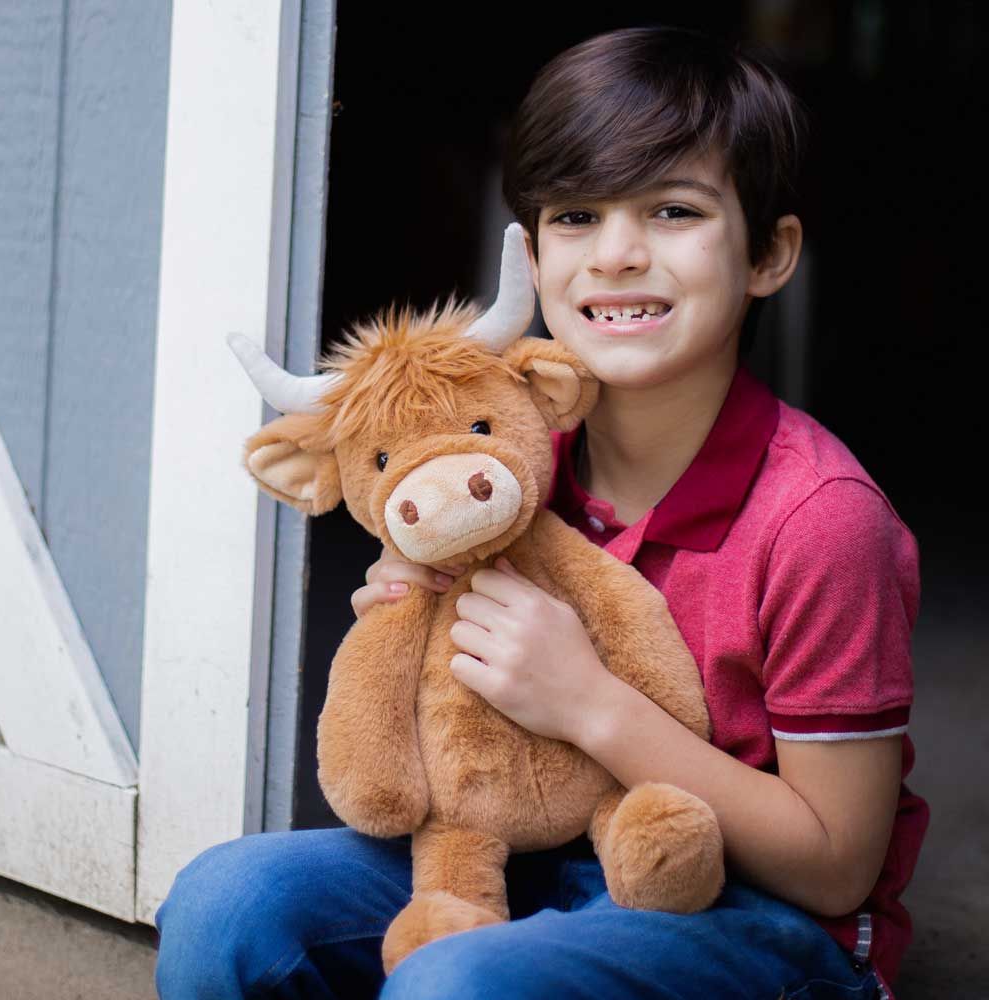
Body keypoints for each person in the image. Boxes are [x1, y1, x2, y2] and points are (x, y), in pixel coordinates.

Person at [154, 24, 928, 1000]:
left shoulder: (819, 520)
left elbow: (835, 866)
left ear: (769, 254)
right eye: (575, 216)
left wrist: (588, 703)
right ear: (529, 246)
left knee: (456, 983)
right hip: (522, 844)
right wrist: (411, 611)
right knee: (224, 904)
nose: (617, 254)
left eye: (673, 210)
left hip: (751, 911)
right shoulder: (504, 473)